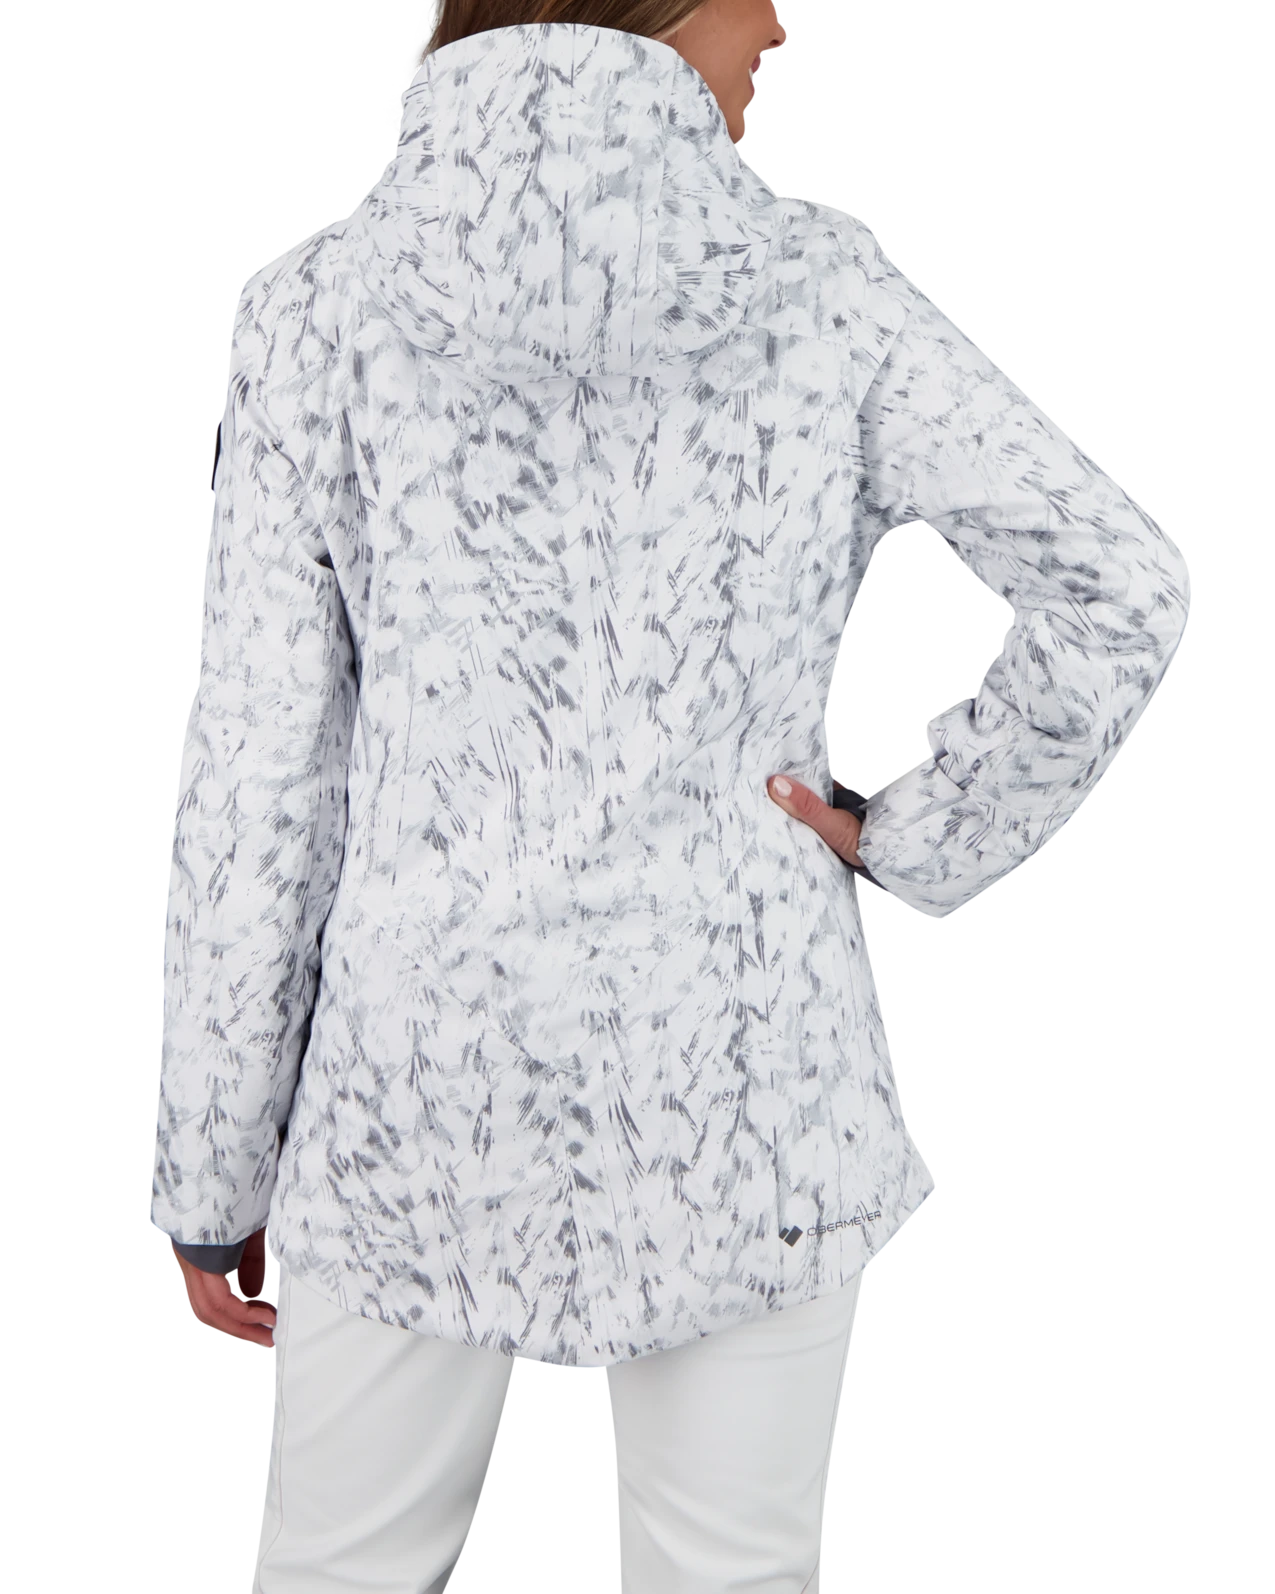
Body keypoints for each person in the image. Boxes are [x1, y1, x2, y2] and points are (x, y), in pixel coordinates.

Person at [157, 3, 1191, 1591]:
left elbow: (257, 768)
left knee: (340, 1572)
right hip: (748, 1080)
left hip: (410, 1085)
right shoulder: (822, 285)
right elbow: (1117, 581)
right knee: (730, 1578)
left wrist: (214, 1168)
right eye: (753, 20)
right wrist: (923, 834)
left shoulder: (318, 304)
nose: (777, 33)